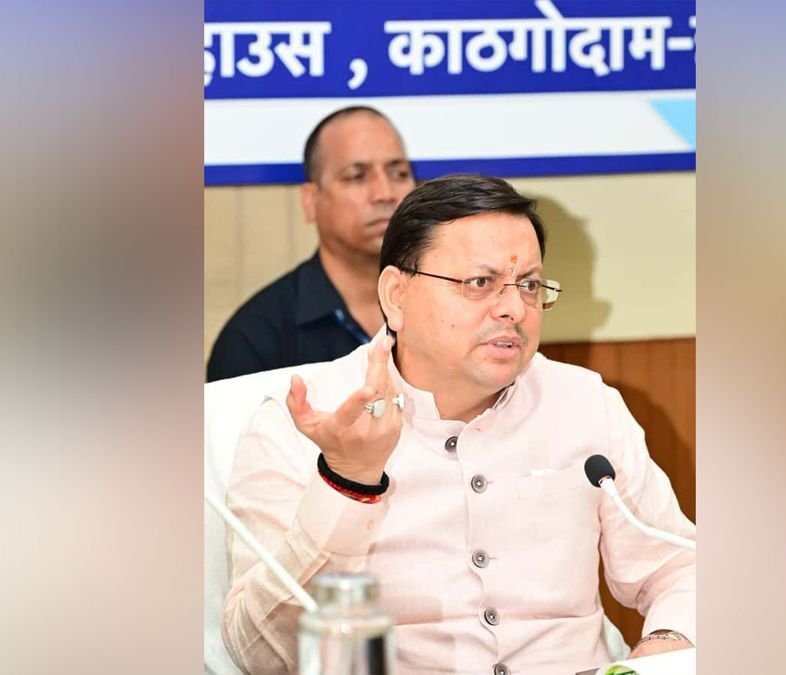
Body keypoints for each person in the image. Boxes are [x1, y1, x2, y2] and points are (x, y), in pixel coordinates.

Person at [222, 175, 696, 674]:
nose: (514, 308)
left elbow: (677, 566)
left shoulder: (584, 403)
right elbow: (260, 655)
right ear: (397, 295)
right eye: (479, 283)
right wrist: (346, 480)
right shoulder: (303, 424)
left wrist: (669, 640)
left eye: (529, 285)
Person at [206, 106, 415, 382]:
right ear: (310, 200)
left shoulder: (445, 307)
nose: (385, 193)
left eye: (399, 174)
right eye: (357, 176)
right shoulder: (255, 339)